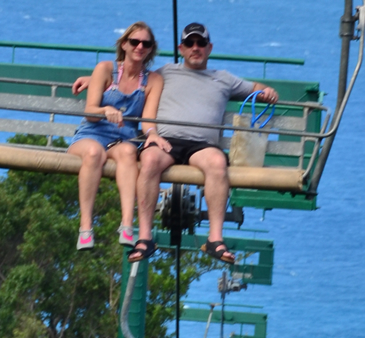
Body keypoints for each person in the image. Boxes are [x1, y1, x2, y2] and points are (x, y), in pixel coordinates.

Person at [74, 22, 278, 263]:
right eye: (190, 43)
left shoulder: (223, 79)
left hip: (201, 145)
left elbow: (255, 88)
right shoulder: (166, 73)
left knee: (216, 163)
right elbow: (131, 71)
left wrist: (267, 91)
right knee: (149, 159)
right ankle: (145, 237)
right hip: (166, 141)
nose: (195, 48)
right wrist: (95, 78)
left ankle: (215, 239)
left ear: (209, 48)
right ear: (181, 48)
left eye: (201, 43)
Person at [67, 22, 164, 251]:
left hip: (123, 139)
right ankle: (85, 228)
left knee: (130, 152)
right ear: (124, 44)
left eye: (146, 44)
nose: (140, 47)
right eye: (134, 42)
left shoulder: (152, 81)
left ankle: (127, 225)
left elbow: (147, 119)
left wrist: (153, 134)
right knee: (94, 153)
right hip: (92, 133)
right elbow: (90, 112)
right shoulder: (105, 70)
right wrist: (105, 111)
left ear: (151, 49)